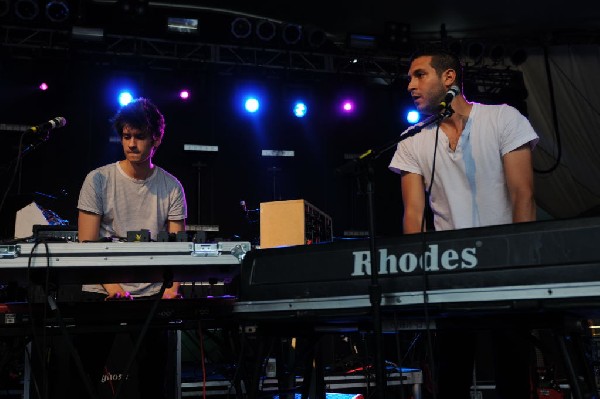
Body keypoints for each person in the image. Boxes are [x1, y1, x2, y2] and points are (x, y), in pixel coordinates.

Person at [388, 46, 538, 399]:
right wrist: (419, 270)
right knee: (451, 372)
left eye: (419, 74)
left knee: (512, 370)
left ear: (449, 77)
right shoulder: (413, 138)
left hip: (506, 265)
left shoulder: (503, 119)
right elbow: (413, 214)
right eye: (409, 77)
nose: (410, 84)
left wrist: (519, 263)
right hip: (449, 272)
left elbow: (523, 195)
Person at [76, 97, 188, 398]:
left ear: (157, 139)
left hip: (151, 295)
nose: (132, 144)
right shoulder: (97, 180)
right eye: (127, 136)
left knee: (153, 382)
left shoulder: (172, 187)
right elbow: (87, 244)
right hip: (102, 291)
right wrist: (113, 288)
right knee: (86, 379)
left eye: (140, 137)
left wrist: (172, 288)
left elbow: (177, 248)